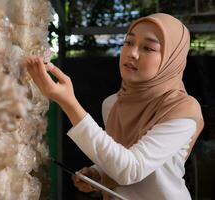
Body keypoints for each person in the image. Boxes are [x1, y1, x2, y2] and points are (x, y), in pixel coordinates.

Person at [24, 13, 204, 200]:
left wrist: (68, 102)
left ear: (171, 60)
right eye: (128, 42)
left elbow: (131, 168)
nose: (132, 53)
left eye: (148, 48)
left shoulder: (182, 111)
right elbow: (120, 154)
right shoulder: (113, 104)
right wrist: (98, 174)